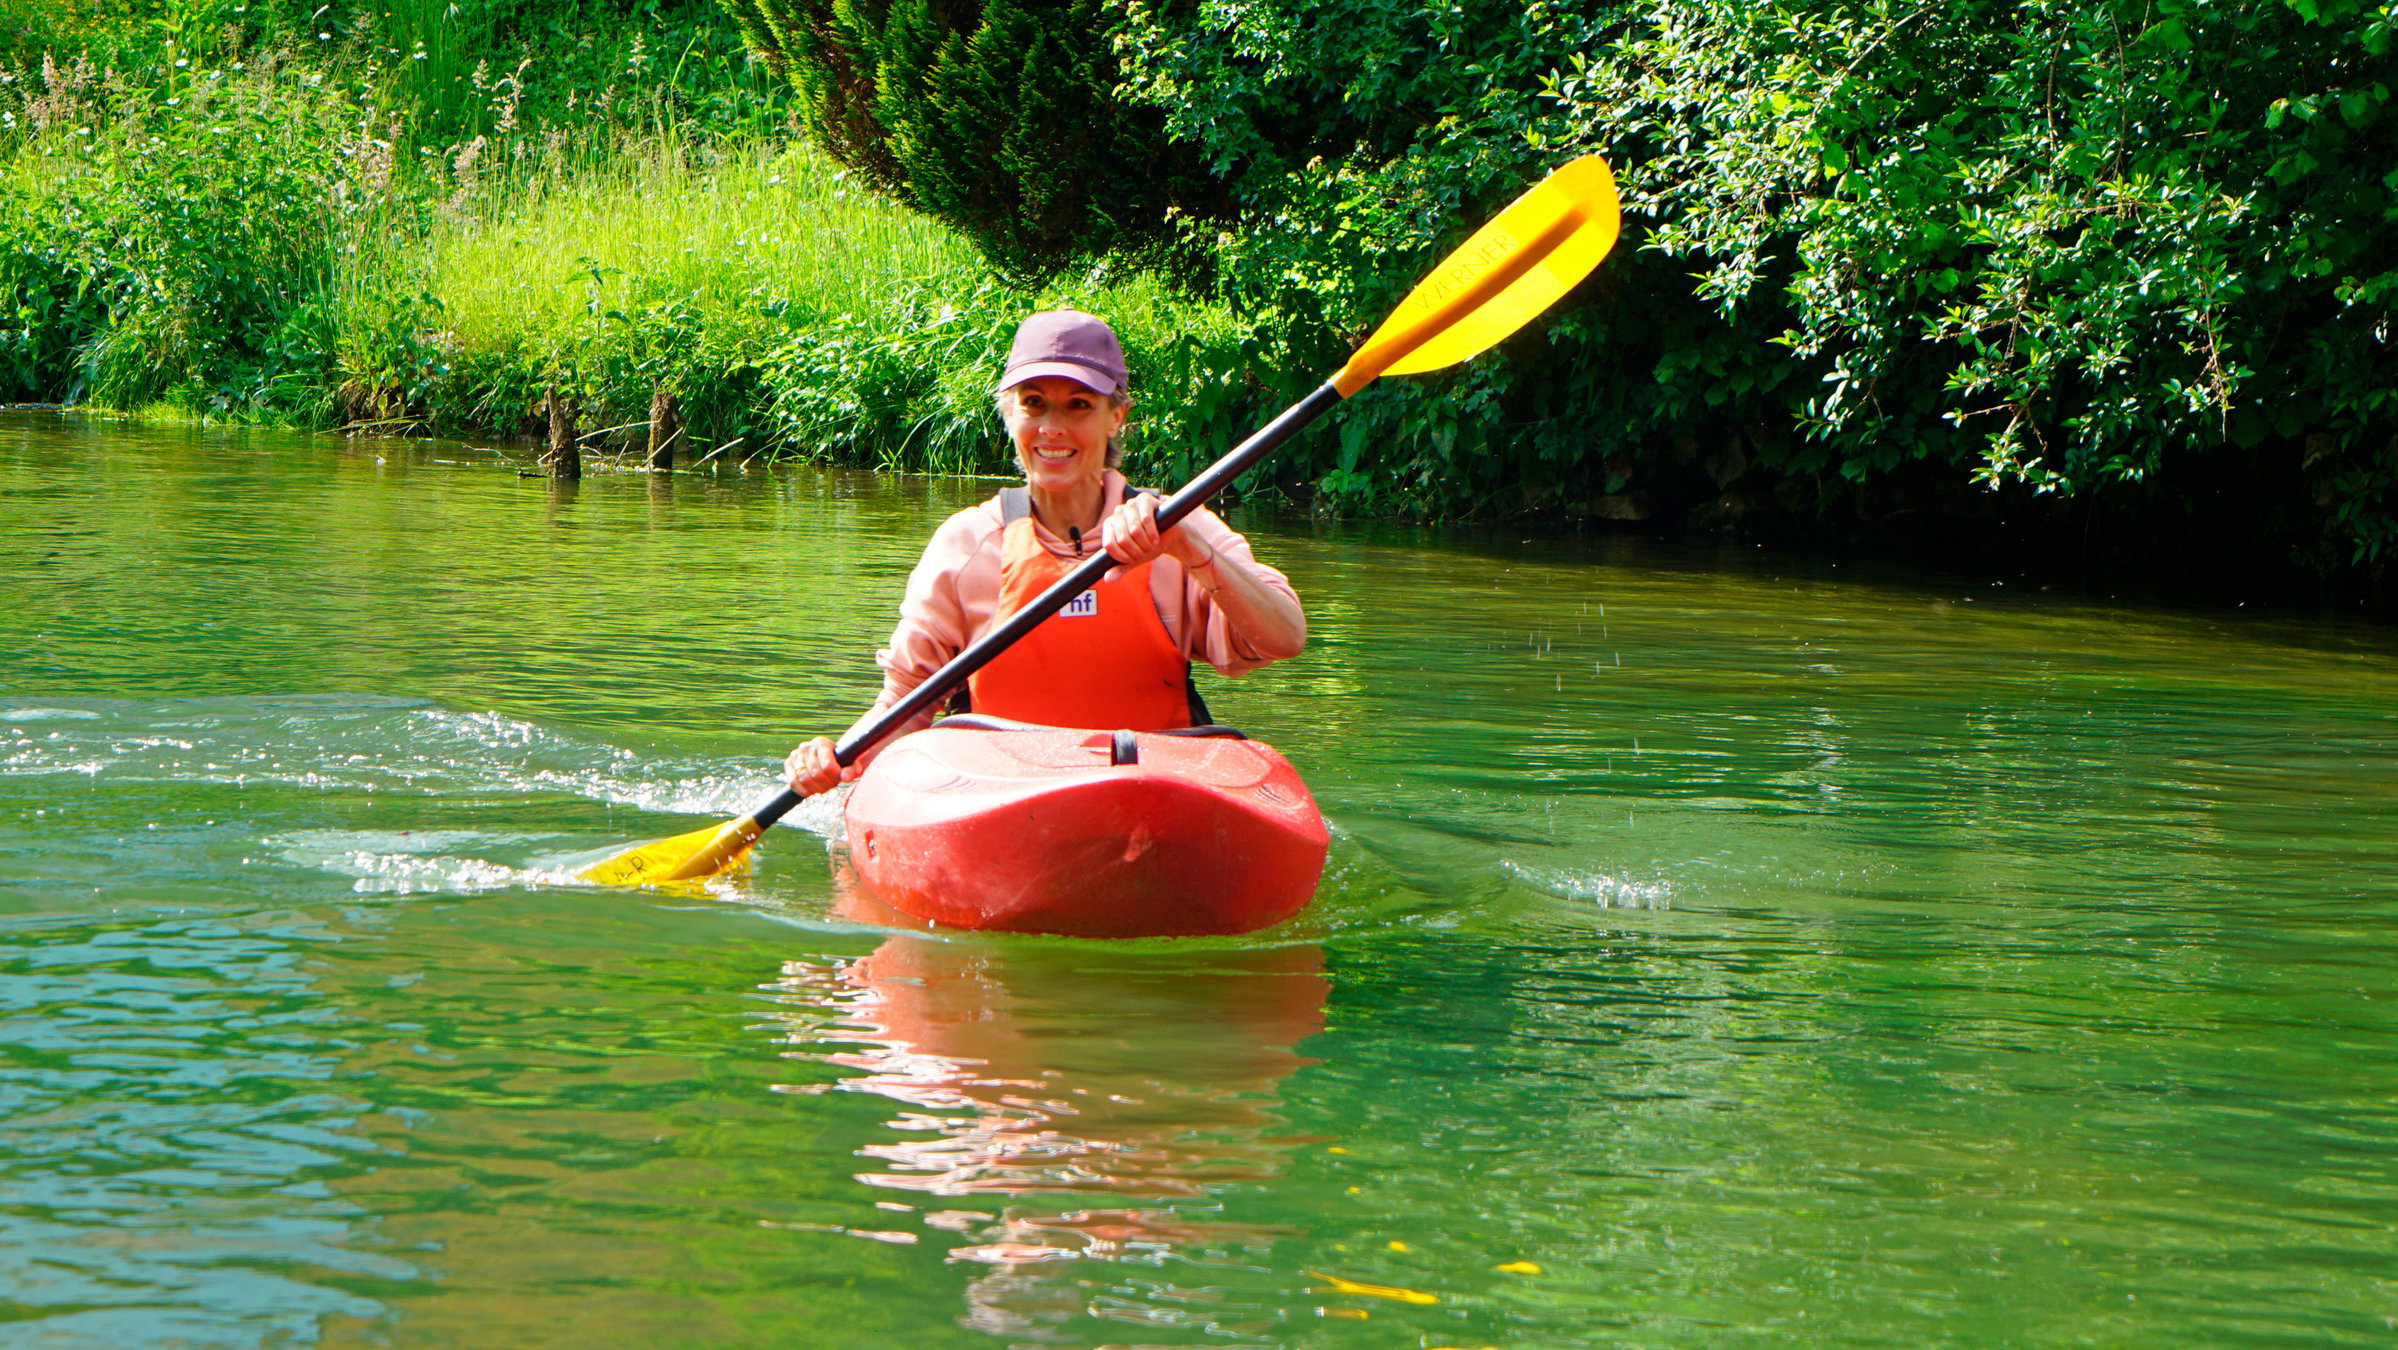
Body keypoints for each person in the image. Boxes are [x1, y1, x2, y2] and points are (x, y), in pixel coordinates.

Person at [785, 310, 1306, 796]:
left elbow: (1283, 637)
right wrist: (835, 758)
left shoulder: (1176, 526)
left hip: (1150, 793)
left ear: (1116, 417)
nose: (1052, 428)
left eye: (1079, 405)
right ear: (1010, 414)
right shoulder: (967, 546)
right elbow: (906, 706)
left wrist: (1189, 551)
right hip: (997, 798)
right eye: (1034, 403)